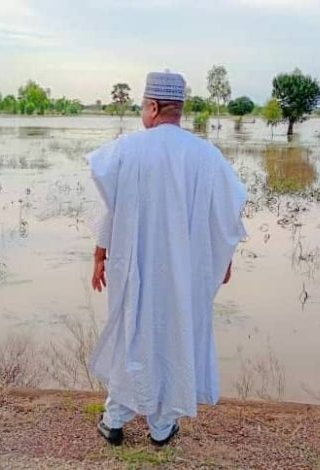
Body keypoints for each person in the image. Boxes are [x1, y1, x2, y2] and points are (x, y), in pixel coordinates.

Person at [88, 70, 247, 446]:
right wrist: (224, 260)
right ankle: (161, 427)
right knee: (176, 338)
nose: (144, 111)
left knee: (133, 333)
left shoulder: (125, 151)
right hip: (183, 273)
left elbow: (111, 207)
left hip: (134, 268)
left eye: (144, 105)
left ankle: (115, 420)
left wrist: (100, 253)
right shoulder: (206, 155)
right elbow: (227, 215)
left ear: (154, 106)